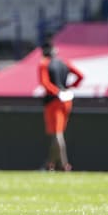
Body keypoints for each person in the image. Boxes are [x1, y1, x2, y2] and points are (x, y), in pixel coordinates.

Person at [38, 39, 85, 172]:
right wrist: (68, 88)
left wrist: (58, 92)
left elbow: (45, 83)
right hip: (66, 100)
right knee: (57, 133)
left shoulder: (44, 64)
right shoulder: (64, 63)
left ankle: (64, 165)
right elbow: (80, 76)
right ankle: (50, 164)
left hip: (54, 101)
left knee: (57, 134)